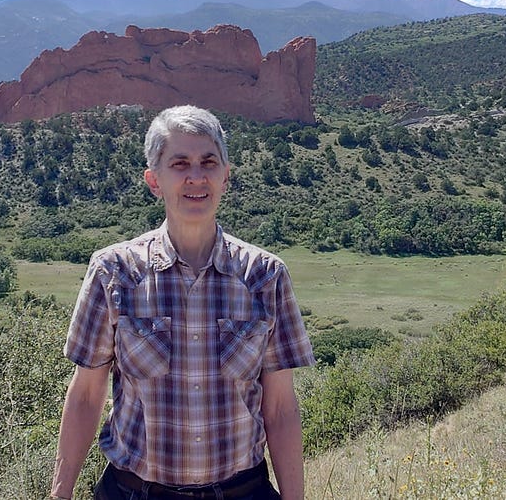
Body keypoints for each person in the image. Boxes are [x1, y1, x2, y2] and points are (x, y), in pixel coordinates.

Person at [50, 105, 315, 500]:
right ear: (154, 180)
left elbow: (279, 408)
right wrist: (60, 493)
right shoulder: (114, 272)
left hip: (243, 491)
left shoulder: (265, 276)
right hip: (134, 492)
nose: (196, 176)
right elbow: (87, 394)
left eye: (208, 162)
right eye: (180, 163)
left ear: (226, 176)